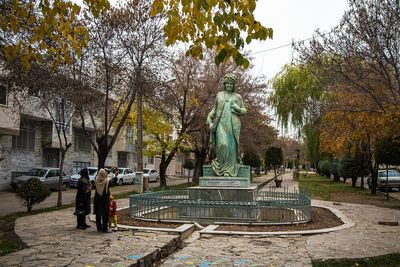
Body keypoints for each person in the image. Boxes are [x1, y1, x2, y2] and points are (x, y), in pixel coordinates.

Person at [206, 73, 247, 177]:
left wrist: (237, 108)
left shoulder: (238, 97)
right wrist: (209, 118)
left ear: (234, 85)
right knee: (222, 144)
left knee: (231, 147)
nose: (229, 86)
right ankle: (220, 167)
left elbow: (244, 111)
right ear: (224, 84)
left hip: (233, 125)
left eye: (231, 84)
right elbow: (214, 110)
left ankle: (229, 170)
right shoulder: (219, 95)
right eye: (227, 84)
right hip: (220, 123)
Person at [93, 168, 111, 233]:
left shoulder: (97, 179)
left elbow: (103, 174)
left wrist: (109, 170)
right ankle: (105, 228)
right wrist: (116, 176)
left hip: (97, 198)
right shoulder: (107, 181)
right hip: (104, 199)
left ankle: (99, 227)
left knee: (98, 214)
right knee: (105, 215)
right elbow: (112, 182)